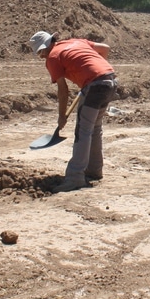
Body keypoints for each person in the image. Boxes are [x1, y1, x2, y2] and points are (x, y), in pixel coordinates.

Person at [29, 31, 119, 193]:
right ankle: (94, 170)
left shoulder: (53, 57)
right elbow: (105, 49)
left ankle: (75, 177)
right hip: (110, 80)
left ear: (47, 46)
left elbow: (63, 91)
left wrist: (61, 116)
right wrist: (95, 70)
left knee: (83, 130)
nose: (41, 56)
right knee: (94, 128)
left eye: (41, 52)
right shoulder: (76, 42)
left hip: (95, 86)